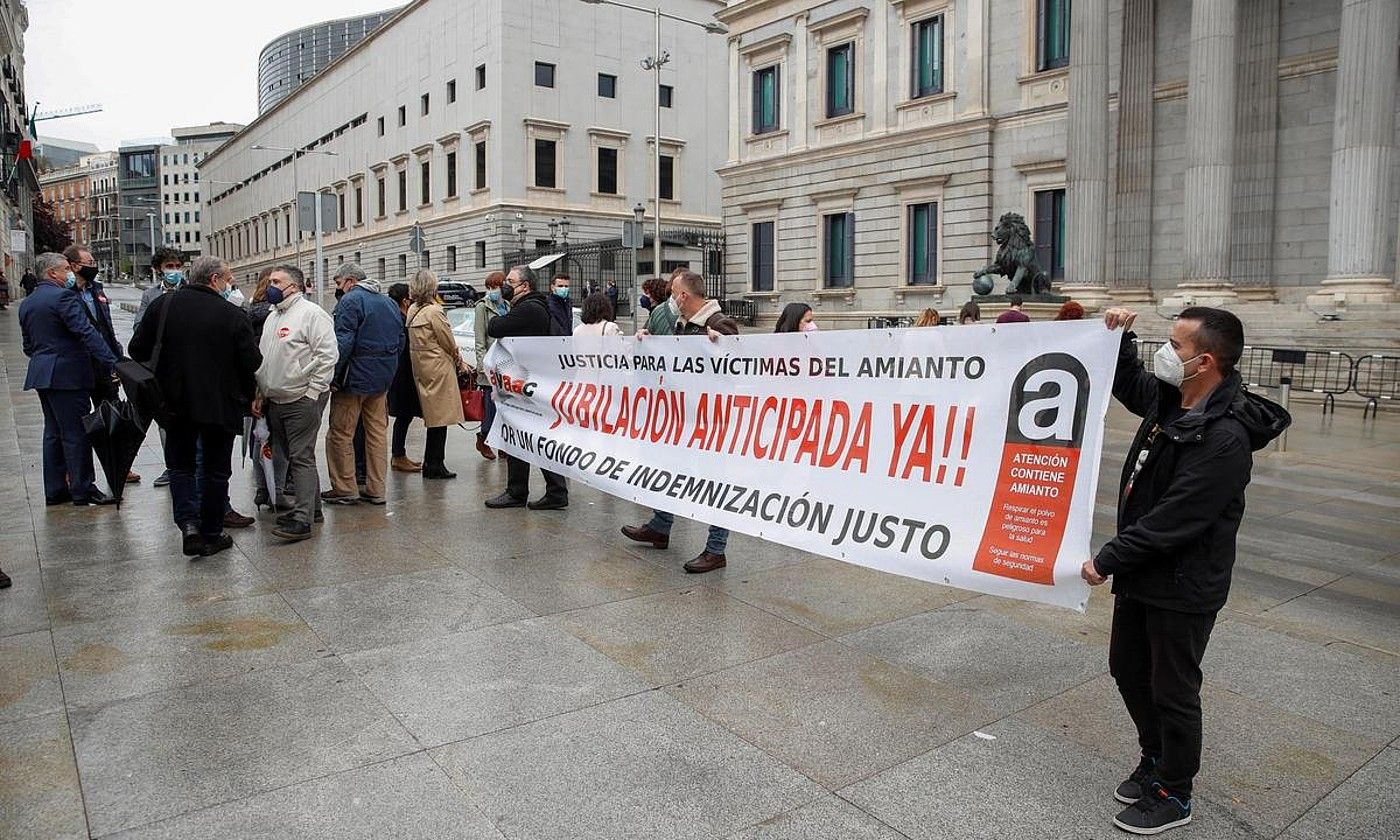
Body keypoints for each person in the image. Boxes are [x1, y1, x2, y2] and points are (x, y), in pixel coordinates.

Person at [1083, 307, 1289, 835]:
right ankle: (1153, 757)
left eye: (1174, 347)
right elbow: (1128, 380)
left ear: (1206, 361)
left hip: (1183, 583)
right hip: (1144, 575)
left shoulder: (1225, 438)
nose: (1165, 355)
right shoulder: (1172, 400)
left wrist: (1106, 559)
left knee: (1173, 688)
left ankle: (1176, 791)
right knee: (1128, 670)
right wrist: (1120, 336)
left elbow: (1178, 519)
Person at [128, 257, 261, 558]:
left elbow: (137, 349)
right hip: (219, 405)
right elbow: (252, 361)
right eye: (228, 279)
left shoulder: (162, 306)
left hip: (173, 405)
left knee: (181, 467)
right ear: (215, 279)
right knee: (215, 471)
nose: (230, 284)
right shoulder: (232, 314)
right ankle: (212, 532)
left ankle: (188, 525)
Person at [622, 270, 737, 573]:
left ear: (684, 296)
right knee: (668, 470)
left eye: (674, 293)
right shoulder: (681, 325)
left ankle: (716, 549)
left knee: (716, 484)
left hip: (711, 424)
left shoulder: (718, 324)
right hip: (683, 420)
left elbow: (736, 366)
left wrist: (723, 345)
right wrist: (646, 343)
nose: (672, 298)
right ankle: (660, 526)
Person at [20, 252, 120, 506]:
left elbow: (28, 345)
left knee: (53, 432)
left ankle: (55, 490)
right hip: (68, 375)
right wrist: (112, 362)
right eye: (66, 269)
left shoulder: (28, 302)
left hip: (42, 374)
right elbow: (86, 332)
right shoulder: (64, 296)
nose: (70, 274)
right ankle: (83, 489)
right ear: (52, 273)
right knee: (76, 433)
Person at [254, 266, 338, 542]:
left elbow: (328, 356)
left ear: (295, 286)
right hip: (275, 399)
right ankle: (311, 509)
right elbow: (265, 359)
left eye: (277, 281)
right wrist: (260, 393)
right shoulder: (272, 316)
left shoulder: (312, 314)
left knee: (300, 457)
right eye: (269, 281)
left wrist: (312, 393)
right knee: (297, 456)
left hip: (300, 398)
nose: (271, 286)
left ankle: (302, 519)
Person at [484, 265, 569, 509]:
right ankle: (528, 490)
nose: (505, 285)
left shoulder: (530, 309)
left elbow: (495, 327)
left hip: (530, 385)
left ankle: (541, 491)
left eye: (510, 281)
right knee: (522, 435)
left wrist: (500, 312)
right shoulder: (532, 306)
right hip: (525, 383)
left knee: (531, 436)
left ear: (525, 286)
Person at [321, 263, 403, 506]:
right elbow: (400, 339)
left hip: (354, 379)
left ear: (351, 281)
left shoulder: (350, 301)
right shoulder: (388, 301)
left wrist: (333, 376)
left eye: (338, 283)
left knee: (340, 433)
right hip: (381, 379)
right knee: (377, 434)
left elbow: (343, 342)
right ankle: (377, 489)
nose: (339, 289)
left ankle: (345, 488)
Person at [64, 245, 140, 485]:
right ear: (74, 266)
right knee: (76, 421)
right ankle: (72, 471)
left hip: (104, 362)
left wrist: (116, 358)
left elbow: (105, 326)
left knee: (112, 414)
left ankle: (120, 466)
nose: (93, 265)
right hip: (78, 364)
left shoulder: (96, 289)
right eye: (89, 261)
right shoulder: (64, 293)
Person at [406, 269, 469, 480]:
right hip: (438, 367)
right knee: (440, 419)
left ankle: (432, 462)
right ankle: (435, 464)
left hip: (422, 367)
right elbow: (448, 341)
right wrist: (459, 361)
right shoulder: (434, 311)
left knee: (434, 418)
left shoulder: (413, 309)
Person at [134, 247, 188, 488]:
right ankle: (172, 466)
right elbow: (139, 326)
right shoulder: (150, 295)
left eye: (177, 266)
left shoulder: (188, 291)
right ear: (159, 269)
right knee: (165, 417)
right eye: (169, 266)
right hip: (161, 366)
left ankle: (187, 463)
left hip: (186, 362)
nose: (174, 271)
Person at [246, 268, 290, 511]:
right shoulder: (274, 315)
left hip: (258, 382)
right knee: (279, 440)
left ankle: (263, 488)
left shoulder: (250, 312)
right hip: (275, 382)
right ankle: (278, 489)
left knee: (260, 436)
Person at [385, 282, 424, 472]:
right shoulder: (401, 319)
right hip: (402, 374)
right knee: (404, 415)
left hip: (399, 372)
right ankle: (398, 456)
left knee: (404, 415)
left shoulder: (395, 317)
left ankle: (399, 454)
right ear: (405, 300)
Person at [472, 271, 508, 460]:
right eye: (490, 287)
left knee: (505, 408)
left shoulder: (508, 306)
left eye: (496, 287)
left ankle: (503, 443)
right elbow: (480, 340)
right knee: (490, 408)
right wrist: (482, 366)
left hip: (506, 365)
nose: (493, 291)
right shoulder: (482, 307)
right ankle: (484, 437)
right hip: (489, 365)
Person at [545, 271, 572, 336]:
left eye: (566, 286)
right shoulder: (548, 305)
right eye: (560, 286)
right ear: (552, 287)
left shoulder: (567, 303)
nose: (564, 289)